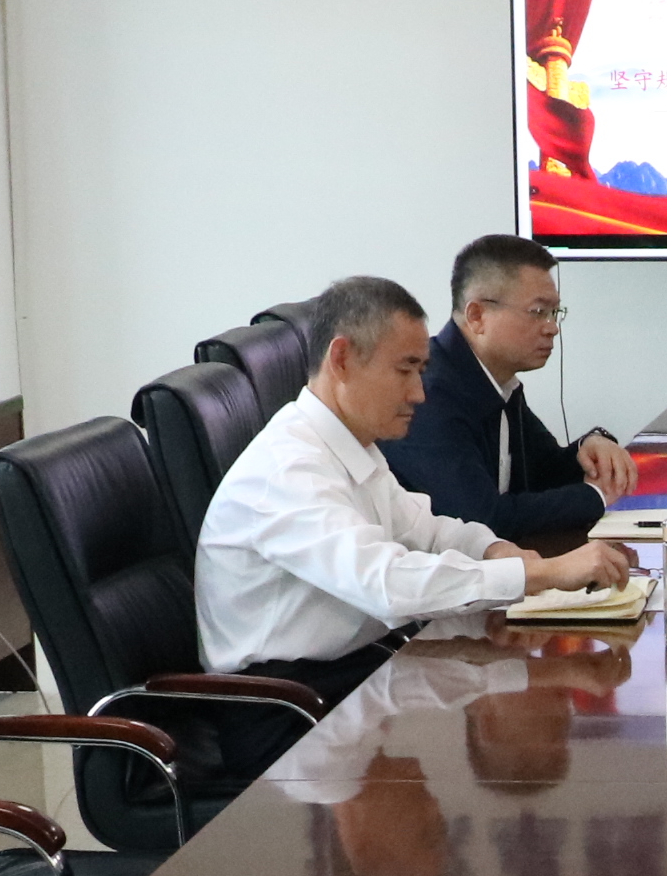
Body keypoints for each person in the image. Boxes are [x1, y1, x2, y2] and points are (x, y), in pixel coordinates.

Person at [190, 274, 636, 704]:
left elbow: (426, 530)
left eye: (421, 371)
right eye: (405, 370)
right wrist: (544, 574)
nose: (419, 394)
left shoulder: (350, 445)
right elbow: (388, 583)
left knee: (505, 674)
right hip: (282, 704)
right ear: (341, 359)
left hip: (355, 670)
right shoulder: (287, 471)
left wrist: (494, 549)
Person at [390, 235, 637, 551]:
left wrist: (590, 446)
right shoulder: (429, 394)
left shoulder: (499, 381)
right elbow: (481, 519)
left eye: (555, 312)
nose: (552, 327)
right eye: (538, 311)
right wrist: (596, 496)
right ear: (477, 316)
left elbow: (543, 473)